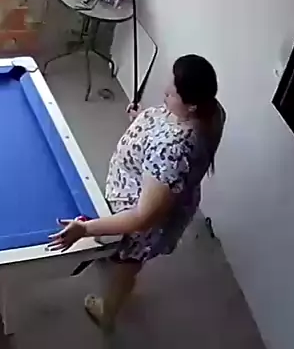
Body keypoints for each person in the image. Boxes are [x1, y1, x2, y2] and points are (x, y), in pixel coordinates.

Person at [48, 54, 226, 332]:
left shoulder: (172, 152)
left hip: (137, 216)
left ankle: (107, 312)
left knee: (127, 264)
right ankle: (119, 266)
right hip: (155, 196)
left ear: (191, 105)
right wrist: (143, 120)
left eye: (172, 93)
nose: (165, 91)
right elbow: (167, 132)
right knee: (126, 258)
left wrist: (85, 229)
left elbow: (143, 218)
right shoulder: (212, 111)